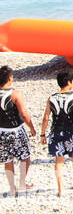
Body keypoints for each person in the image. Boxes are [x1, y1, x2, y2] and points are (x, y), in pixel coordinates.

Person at [40, 71, 73, 196]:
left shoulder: (51, 98)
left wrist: (42, 134)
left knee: (58, 161)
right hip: (71, 132)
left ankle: (60, 190)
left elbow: (46, 118)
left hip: (55, 132)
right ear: (68, 82)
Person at [0, 66, 36, 196]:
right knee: (25, 157)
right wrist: (31, 127)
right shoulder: (15, 94)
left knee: (7, 160)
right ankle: (22, 183)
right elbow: (23, 114)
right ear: (10, 78)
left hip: (1, 132)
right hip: (15, 131)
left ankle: (11, 187)